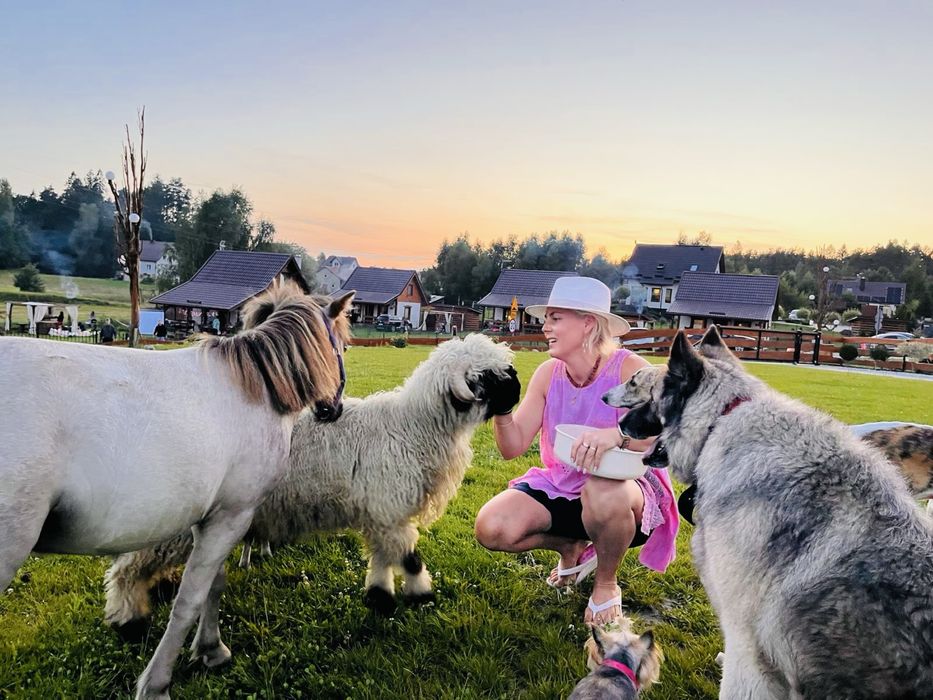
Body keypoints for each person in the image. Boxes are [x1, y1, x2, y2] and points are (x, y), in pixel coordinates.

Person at [474, 276, 679, 626]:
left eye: (555, 318)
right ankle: (570, 546)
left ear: (588, 323)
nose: (545, 327)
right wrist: (502, 408)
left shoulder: (630, 369)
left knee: (602, 490)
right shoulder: (548, 374)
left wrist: (617, 435)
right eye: (546, 319)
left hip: (625, 491)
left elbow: (666, 436)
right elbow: (512, 447)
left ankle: (606, 584)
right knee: (491, 527)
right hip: (563, 483)